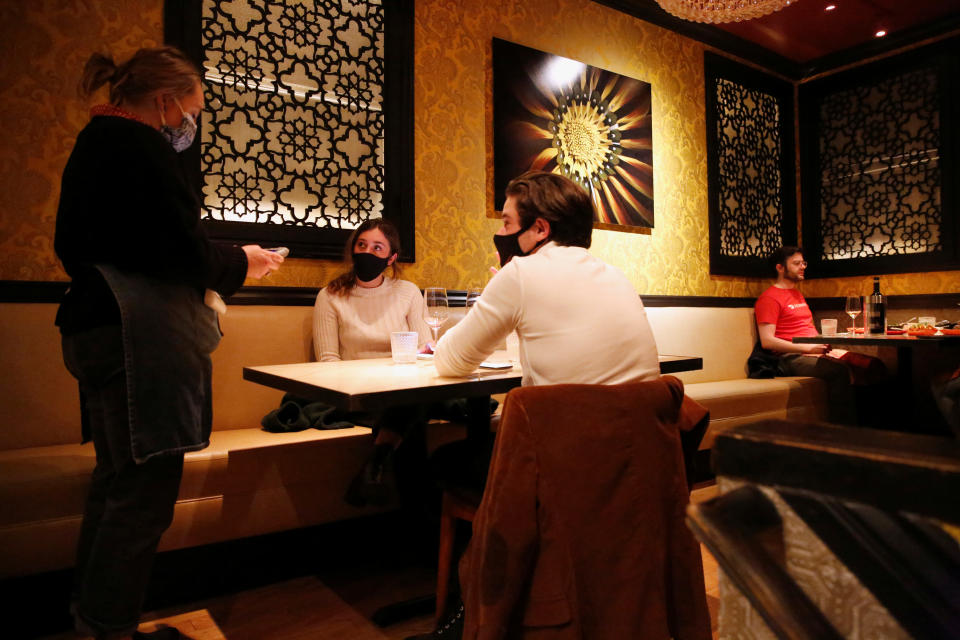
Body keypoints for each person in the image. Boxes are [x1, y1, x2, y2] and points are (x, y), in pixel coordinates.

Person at [55, 47, 283, 640]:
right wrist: (242, 261)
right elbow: (178, 250)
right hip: (135, 336)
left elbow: (94, 245)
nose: (193, 121)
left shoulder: (94, 144)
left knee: (114, 487)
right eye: (194, 108)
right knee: (142, 499)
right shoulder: (140, 148)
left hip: (93, 325)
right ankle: (108, 630)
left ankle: (93, 620)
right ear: (165, 101)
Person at [423, 170, 666, 639]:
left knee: (447, 460)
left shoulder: (521, 273)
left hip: (566, 467)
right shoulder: (616, 276)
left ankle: (475, 614)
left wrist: (497, 293)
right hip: (638, 464)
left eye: (508, 222)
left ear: (540, 229)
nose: (501, 233)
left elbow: (451, 361)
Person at [313, 218, 434, 505]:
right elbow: (327, 361)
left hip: (404, 390)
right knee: (413, 418)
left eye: (378, 247)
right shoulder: (330, 295)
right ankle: (423, 524)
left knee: (410, 401)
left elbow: (425, 349)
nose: (368, 252)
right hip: (356, 394)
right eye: (362, 245)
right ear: (353, 249)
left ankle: (376, 465)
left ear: (391, 258)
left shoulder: (407, 292)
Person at [752, 246, 883, 425]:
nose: (803, 267)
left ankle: (874, 430)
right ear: (780, 268)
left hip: (814, 350)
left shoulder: (797, 294)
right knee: (838, 370)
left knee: (872, 365)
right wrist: (808, 348)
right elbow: (767, 342)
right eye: (796, 263)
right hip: (789, 357)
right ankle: (842, 435)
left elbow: (807, 329)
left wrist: (823, 346)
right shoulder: (769, 298)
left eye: (803, 263)